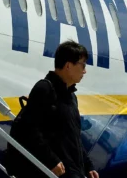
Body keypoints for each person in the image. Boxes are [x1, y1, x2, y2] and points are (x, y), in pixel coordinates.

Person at [6, 40, 99, 178]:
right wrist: (51, 161)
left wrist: (88, 166)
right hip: (54, 173)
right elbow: (29, 130)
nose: (85, 71)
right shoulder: (45, 89)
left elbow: (74, 139)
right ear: (68, 65)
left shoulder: (71, 97)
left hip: (73, 173)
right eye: (82, 65)